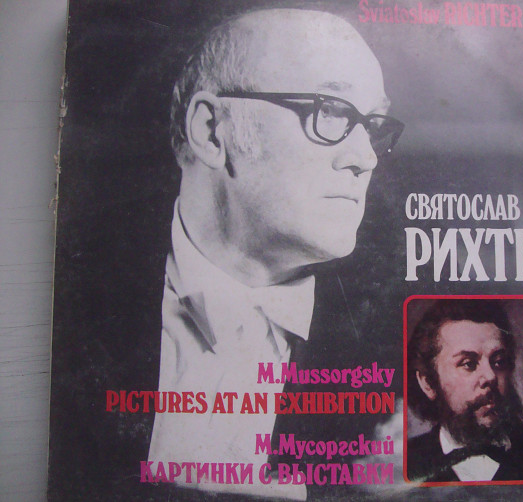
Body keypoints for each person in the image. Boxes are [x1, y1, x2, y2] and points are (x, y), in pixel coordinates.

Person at [147, 7, 403, 498]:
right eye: (331, 110)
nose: (366, 158)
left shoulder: (394, 354)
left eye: (371, 124)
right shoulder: (77, 296)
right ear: (212, 131)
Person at [406, 300, 523, 483]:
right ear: (428, 383)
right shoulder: (406, 460)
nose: (490, 376)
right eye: (468, 364)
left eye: (499, 361)